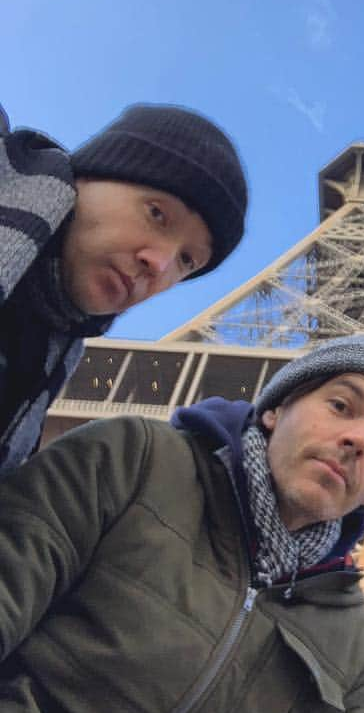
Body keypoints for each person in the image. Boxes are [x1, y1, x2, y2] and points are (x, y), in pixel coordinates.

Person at [0, 331, 364, 713]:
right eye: (340, 405)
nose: (357, 439)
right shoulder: (134, 459)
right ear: (275, 409)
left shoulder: (352, 652)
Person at [0, 102, 247, 473]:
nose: (160, 264)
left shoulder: (46, 359)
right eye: (157, 213)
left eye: (187, 261)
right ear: (88, 176)